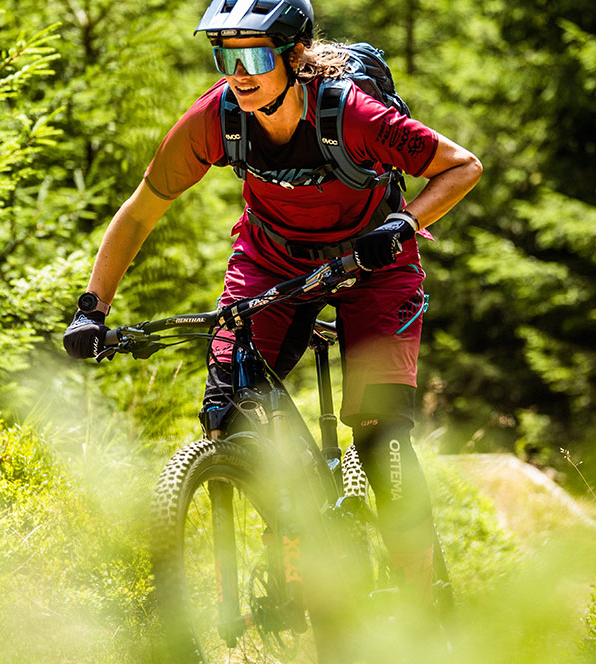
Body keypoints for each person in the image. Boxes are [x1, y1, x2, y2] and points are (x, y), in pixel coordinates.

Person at [63, 0, 481, 605]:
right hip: (272, 262)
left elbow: (461, 167)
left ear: (292, 54)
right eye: (225, 54)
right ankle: (297, 540)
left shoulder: (352, 114)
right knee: (229, 406)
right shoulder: (220, 117)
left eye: (255, 53)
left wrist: (403, 224)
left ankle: (428, 610)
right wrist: (91, 308)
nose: (239, 70)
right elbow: (143, 207)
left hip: (372, 270)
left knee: (380, 437)